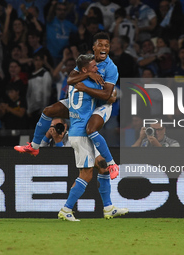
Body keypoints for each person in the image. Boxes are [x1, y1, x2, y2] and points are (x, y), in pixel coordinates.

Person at [14, 32, 119, 178]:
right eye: (100, 45)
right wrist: (88, 75)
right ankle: (35, 146)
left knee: (90, 129)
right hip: (82, 101)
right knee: (48, 111)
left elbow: (107, 95)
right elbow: (70, 79)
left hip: (100, 105)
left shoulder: (111, 68)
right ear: (93, 47)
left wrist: (85, 87)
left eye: (107, 46)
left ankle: (111, 163)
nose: (104, 48)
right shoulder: (86, 61)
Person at [58, 54, 128, 221]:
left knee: (101, 166)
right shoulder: (89, 83)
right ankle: (66, 209)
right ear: (84, 70)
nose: (97, 69)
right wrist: (109, 91)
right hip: (81, 134)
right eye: (93, 67)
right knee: (86, 173)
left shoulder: (75, 82)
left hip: (81, 131)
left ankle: (108, 208)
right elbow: (110, 96)